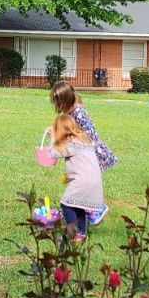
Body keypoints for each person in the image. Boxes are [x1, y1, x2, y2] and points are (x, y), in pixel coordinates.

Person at [50, 80, 116, 226]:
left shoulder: (78, 112)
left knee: (86, 181)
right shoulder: (71, 111)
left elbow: (85, 134)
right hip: (84, 151)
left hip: (91, 151)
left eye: (57, 101)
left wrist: (57, 135)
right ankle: (87, 212)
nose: (56, 105)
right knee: (84, 183)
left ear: (65, 99)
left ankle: (96, 209)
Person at [48, 111, 105, 240]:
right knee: (79, 205)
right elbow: (81, 164)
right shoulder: (84, 141)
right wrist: (68, 176)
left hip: (83, 183)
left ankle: (72, 232)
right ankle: (81, 233)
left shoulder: (70, 144)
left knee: (66, 204)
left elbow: (52, 153)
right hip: (94, 183)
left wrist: (52, 136)